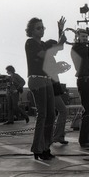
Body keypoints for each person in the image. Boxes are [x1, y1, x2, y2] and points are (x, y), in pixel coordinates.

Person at [25, 16, 66, 160]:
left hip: (47, 80)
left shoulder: (42, 44)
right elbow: (44, 55)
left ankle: (45, 147)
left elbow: (59, 46)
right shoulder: (30, 43)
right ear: (31, 30)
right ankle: (38, 148)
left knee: (51, 115)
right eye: (38, 28)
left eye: (43, 27)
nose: (41, 30)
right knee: (42, 115)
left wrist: (60, 30)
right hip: (37, 80)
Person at [44, 38, 70, 145]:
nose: (57, 51)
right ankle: (57, 136)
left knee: (54, 113)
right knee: (62, 111)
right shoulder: (48, 57)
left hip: (51, 86)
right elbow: (50, 71)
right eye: (55, 48)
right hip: (51, 86)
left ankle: (55, 136)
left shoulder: (47, 56)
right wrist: (58, 69)